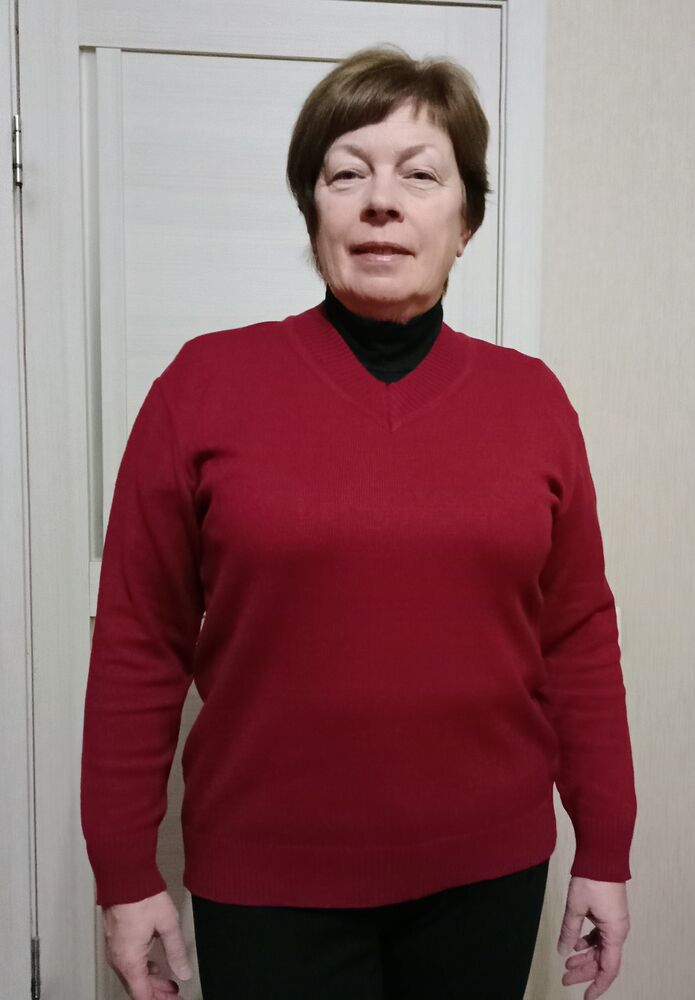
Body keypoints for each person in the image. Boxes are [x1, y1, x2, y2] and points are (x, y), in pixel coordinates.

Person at [80, 44, 637, 1000]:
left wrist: (606, 847)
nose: (382, 201)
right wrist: (125, 872)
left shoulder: (534, 402)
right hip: (267, 885)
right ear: (314, 212)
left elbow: (578, 635)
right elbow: (141, 640)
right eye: (347, 174)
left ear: (466, 220)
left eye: (420, 175)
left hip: (487, 876)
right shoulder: (203, 387)